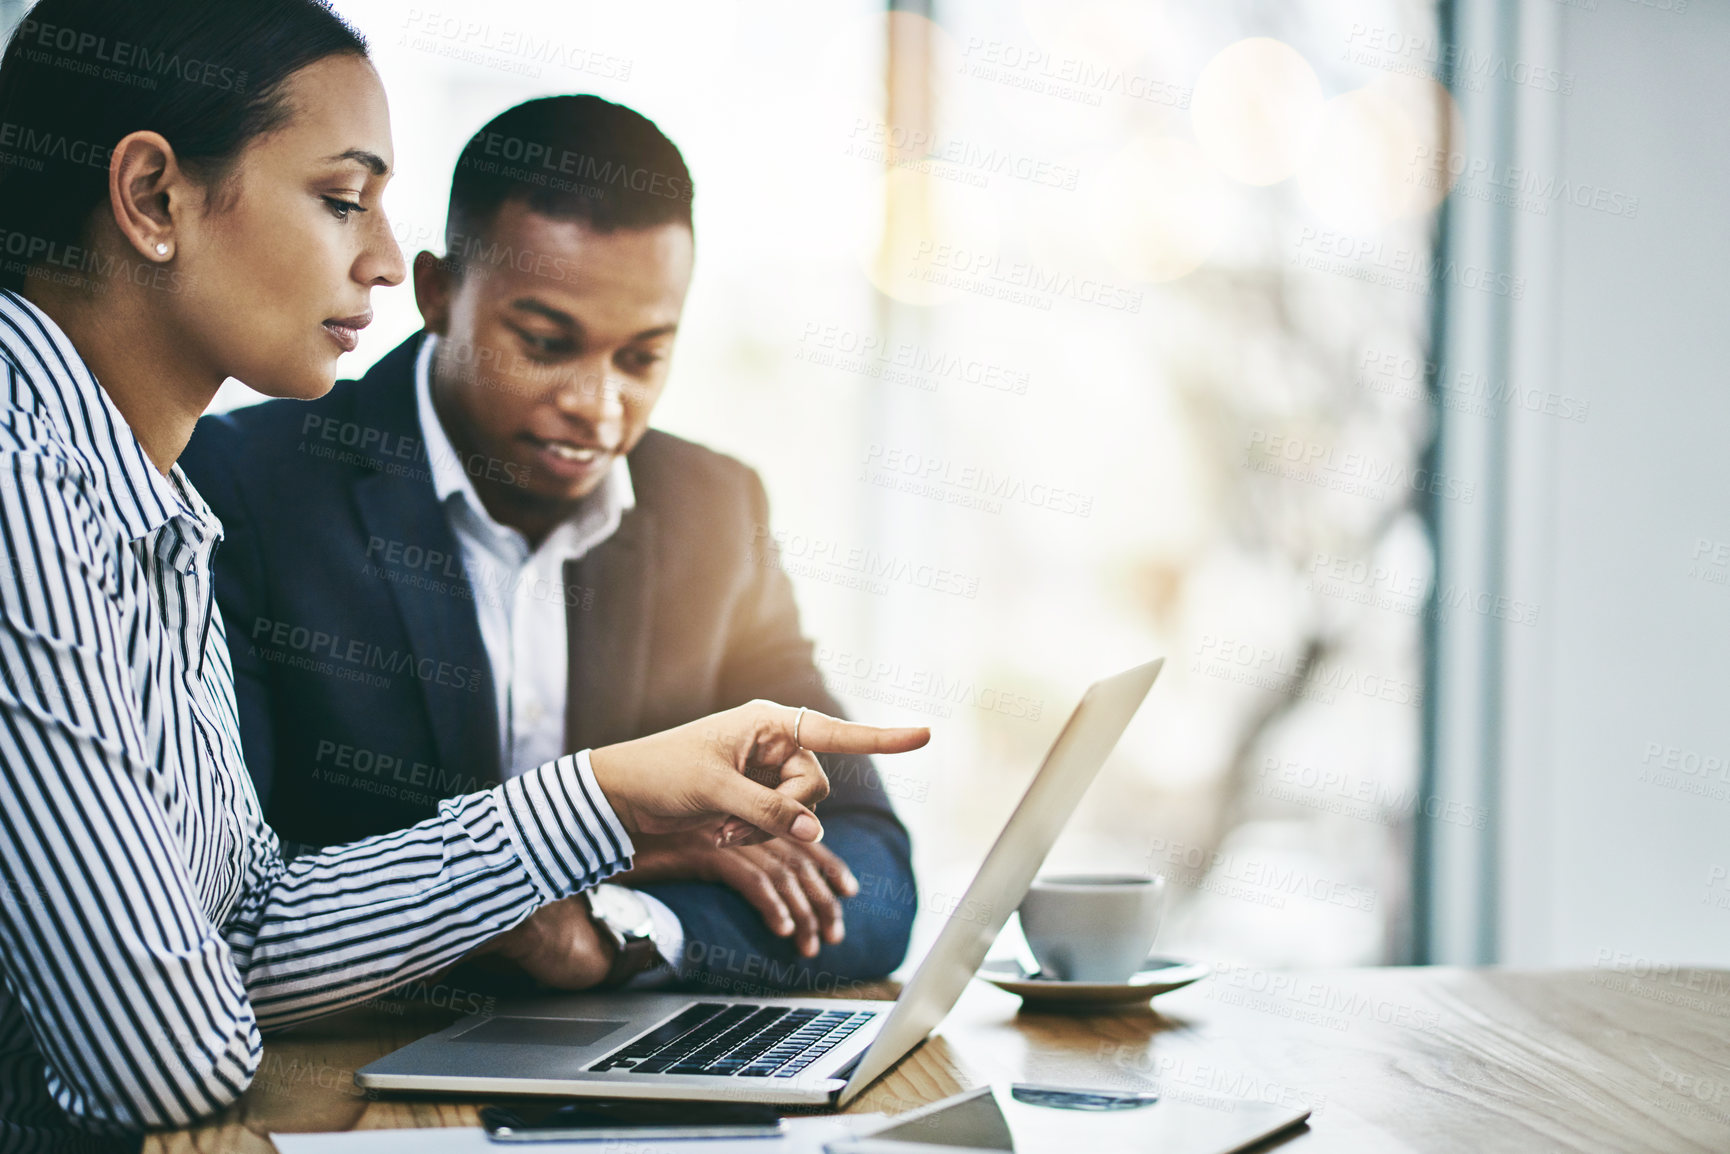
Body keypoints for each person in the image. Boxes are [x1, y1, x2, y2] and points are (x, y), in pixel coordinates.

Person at [0, 1, 926, 1149]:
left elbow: (243, 928)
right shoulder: (42, 482)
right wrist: (593, 816)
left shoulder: (147, 498)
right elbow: (173, 1047)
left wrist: (599, 856)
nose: (380, 261)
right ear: (151, 199)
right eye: (342, 198)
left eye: (644, 354)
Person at [179, 96, 918, 992]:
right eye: (545, 343)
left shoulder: (713, 511)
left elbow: (872, 880)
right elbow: (221, 896)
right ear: (438, 294)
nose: (598, 406)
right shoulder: (245, 489)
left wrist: (613, 932)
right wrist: (621, 849)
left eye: (641, 358)